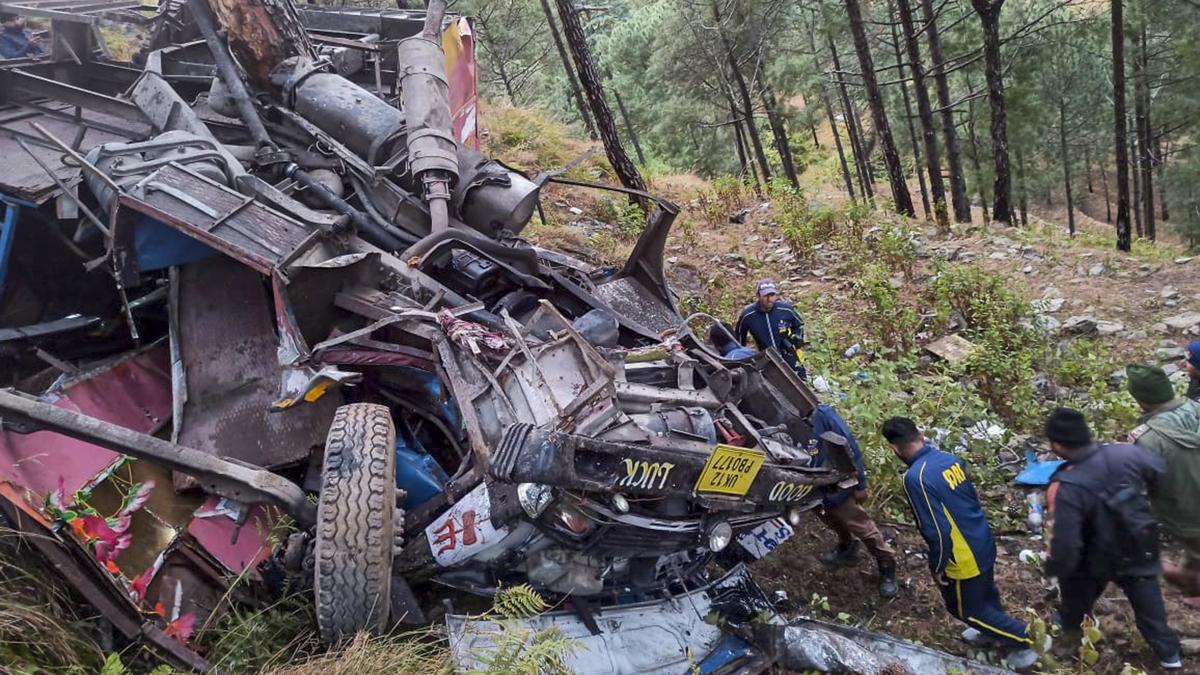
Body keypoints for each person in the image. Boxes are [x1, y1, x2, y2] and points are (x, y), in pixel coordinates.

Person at [881, 417, 1036, 669]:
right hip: (982, 538)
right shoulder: (949, 460)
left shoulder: (916, 478)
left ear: (895, 449)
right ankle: (991, 631)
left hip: (962, 555)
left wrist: (938, 565)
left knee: (966, 610)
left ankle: (1027, 640)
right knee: (985, 592)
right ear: (920, 434)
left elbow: (937, 531)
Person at [1043, 407, 1182, 670]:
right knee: (1151, 611)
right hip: (1138, 545)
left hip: (1092, 559)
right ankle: (1170, 658)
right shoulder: (1126, 453)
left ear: (1058, 445)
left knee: (1076, 600)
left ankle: (1070, 643)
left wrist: (1056, 569)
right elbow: (1162, 474)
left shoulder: (1067, 485)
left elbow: (1066, 543)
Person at [1126, 364, 1200, 609]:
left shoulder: (1146, 438)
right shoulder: (1195, 407)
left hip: (1184, 508)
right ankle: (1189, 581)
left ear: (1140, 399)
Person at [811, 404, 897, 598]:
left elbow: (850, 448)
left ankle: (886, 564)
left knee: (860, 525)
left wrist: (860, 485)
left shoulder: (823, 415)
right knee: (829, 519)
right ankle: (846, 546)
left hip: (837, 481)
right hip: (812, 485)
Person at [734, 279, 807, 380]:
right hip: (766, 359)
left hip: (788, 354)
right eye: (766, 296)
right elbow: (739, 338)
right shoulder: (748, 315)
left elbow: (799, 325)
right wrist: (742, 356)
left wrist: (797, 337)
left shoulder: (786, 309)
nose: (769, 299)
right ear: (758, 296)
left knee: (801, 382)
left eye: (772, 295)